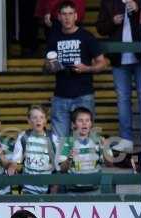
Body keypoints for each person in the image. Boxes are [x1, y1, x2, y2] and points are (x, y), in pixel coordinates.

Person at [45, 0, 107, 138]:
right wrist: (51, 66)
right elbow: (47, 64)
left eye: (70, 14)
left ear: (76, 16)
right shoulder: (53, 37)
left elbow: (102, 63)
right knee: (59, 141)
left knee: (84, 138)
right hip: (60, 95)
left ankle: (83, 161)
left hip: (83, 95)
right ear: (59, 17)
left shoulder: (86, 36)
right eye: (64, 14)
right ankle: (63, 161)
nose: (67, 17)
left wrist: (87, 69)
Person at [96, 0, 141, 152]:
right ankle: (126, 139)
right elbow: (100, 28)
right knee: (123, 98)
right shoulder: (109, 2)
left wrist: (138, 8)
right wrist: (112, 21)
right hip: (119, 59)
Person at [57, 107, 113, 193]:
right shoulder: (66, 142)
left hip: (95, 190)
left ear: (91, 124)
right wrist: (69, 159)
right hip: (73, 191)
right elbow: (62, 169)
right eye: (80, 120)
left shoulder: (99, 141)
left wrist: (105, 148)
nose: (84, 123)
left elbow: (110, 164)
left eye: (87, 120)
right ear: (73, 125)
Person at [8, 105, 59, 194]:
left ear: (45, 120)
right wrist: (13, 167)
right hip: (27, 190)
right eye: (34, 117)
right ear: (29, 121)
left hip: (47, 190)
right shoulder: (23, 137)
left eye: (41, 117)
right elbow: (15, 162)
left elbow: (58, 167)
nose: (38, 120)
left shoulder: (52, 138)